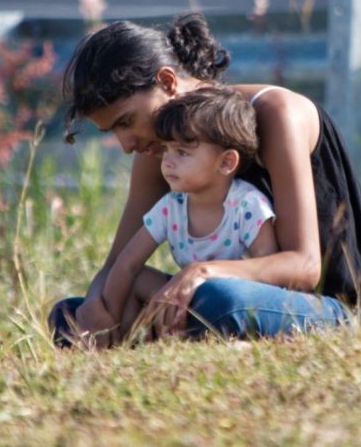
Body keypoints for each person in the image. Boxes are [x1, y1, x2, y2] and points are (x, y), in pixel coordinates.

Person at [49, 13, 361, 346]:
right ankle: (176, 333)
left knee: (220, 300)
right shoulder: (159, 148)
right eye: (112, 131)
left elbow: (305, 267)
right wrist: (96, 307)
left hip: (334, 305)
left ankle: (185, 330)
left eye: (126, 122)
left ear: (167, 81)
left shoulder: (276, 114)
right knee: (67, 315)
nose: (126, 146)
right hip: (214, 299)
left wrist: (203, 271)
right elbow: (117, 265)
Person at [74, 87, 278, 348]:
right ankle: (120, 341)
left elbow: (270, 275)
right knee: (132, 279)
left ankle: (225, 339)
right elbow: (127, 263)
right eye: (167, 150)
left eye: (182, 152)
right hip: (181, 295)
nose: (167, 162)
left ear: (226, 162)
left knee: (219, 297)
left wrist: (209, 279)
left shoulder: (247, 205)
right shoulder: (171, 207)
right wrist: (107, 317)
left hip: (224, 297)